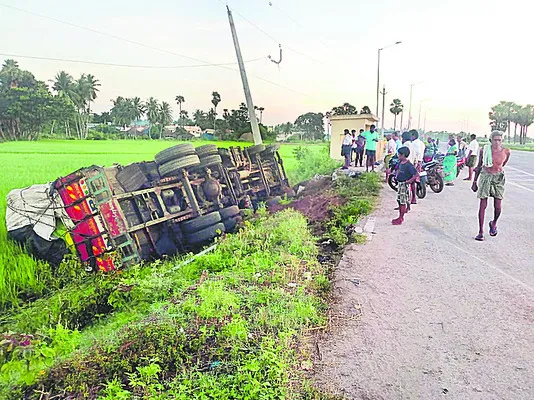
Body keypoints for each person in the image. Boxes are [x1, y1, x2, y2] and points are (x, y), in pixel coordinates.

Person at [472, 130, 511, 241]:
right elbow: (479, 166)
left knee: (498, 206)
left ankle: (493, 223)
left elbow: (503, 164)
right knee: (483, 205)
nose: (497, 142)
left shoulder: (506, 151)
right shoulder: (484, 150)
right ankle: (480, 231)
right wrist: (474, 182)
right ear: (491, 140)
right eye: (495, 140)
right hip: (485, 176)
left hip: (498, 178)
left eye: (499, 140)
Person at [392, 146, 418, 225]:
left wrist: (410, 181)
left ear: (403, 155)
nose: (398, 156)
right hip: (400, 184)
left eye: (399, 155)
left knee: (402, 201)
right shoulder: (400, 163)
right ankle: (401, 214)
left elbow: (416, 174)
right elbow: (398, 169)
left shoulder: (408, 165)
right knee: (399, 200)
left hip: (404, 184)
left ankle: (401, 217)